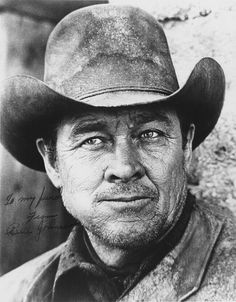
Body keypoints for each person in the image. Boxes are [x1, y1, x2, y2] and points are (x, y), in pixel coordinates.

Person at [0, 4, 235, 302]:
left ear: (186, 145)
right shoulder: (13, 292)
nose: (124, 168)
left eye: (150, 134)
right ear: (52, 162)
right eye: (93, 140)